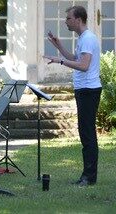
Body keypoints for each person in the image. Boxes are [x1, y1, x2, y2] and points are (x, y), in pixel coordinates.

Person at [43, 5, 102, 186]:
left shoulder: (87, 39)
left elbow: (83, 66)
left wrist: (60, 61)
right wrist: (58, 45)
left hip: (88, 90)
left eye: (68, 18)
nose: (66, 21)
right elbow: (76, 59)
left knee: (87, 134)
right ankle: (88, 175)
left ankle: (89, 177)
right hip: (84, 90)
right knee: (85, 132)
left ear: (78, 19)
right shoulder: (84, 38)